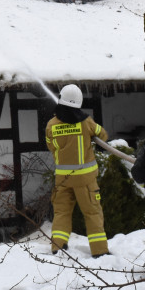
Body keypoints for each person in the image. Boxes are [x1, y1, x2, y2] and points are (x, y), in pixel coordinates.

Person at [45, 84, 109, 256]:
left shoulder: (51, 125)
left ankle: (57, 246)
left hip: (63, 179)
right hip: (85, 180)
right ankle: (99, 251)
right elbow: (102, 134)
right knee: (92, 213)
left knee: (61, 212)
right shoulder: (85, 122)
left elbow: (51, 146)